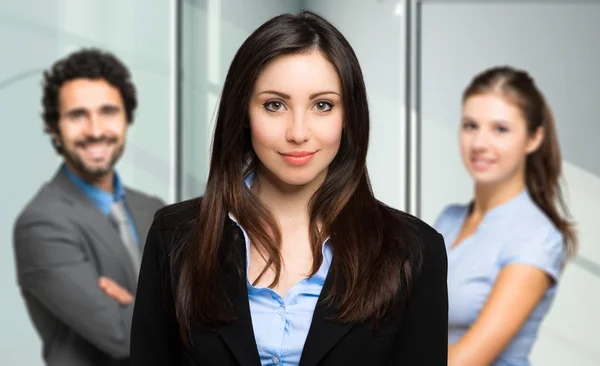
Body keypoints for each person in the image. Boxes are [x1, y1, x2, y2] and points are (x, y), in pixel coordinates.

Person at [131, 10, 448, 366]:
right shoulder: (175, 236)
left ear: (348, 118)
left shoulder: (413, 250)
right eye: (274, 105)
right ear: (244, 115)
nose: (298, 132)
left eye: (322, 105)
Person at [13, 48, 165, 366]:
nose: (95, 130)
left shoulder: (154, 210)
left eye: (108, 111)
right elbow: (122, 336)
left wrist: (135, 307)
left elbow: (211, 313)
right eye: (77, 115)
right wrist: (172, 310)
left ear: (126, 118)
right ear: (55, 128)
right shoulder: (41, 223)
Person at [434, 66, 577, 366]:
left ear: (533, 138)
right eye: (470, 125)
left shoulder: (537, 237)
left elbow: (465, 361)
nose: (479, 144)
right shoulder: (448, 220)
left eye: (500, 129)